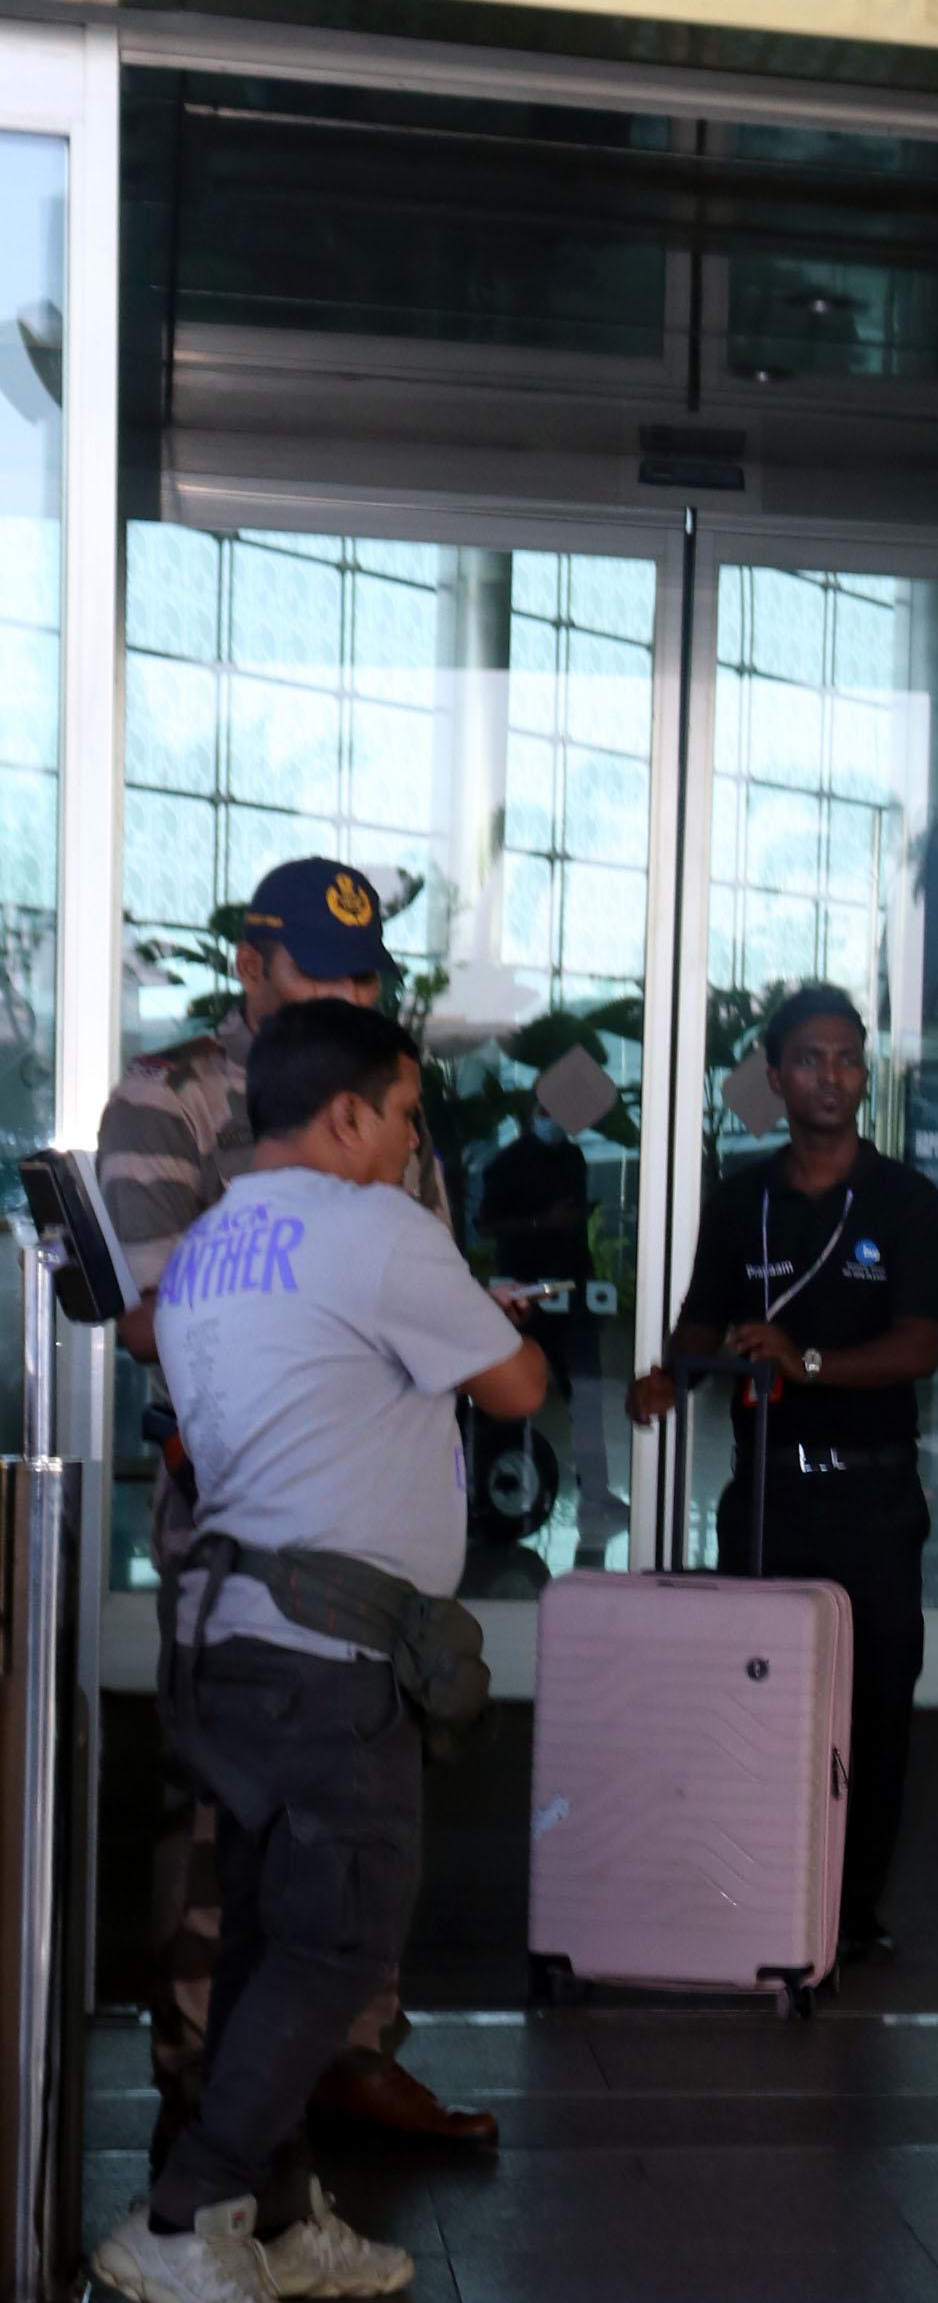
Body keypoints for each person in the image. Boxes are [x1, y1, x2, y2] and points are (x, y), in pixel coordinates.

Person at [92, 1004, 551, 2303]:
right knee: (340, 1939)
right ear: (348, 1114)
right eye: (406, 1116)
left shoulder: (220, 1237)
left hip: (235, 1636)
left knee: (264, 1939)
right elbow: (518, 1384)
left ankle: (277, 2215)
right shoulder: (380, 1231)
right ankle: (183, 2221)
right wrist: (465, 1322)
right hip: (330, 1655)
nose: (414, 1144)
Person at [100, 857, 503, 2163]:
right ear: (252, 966)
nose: (345, 997)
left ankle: (347, 2058)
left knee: (371, 1797)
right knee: (228, 1814)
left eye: (364, 978)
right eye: (319, 976)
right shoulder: (171, 1099)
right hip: (244, 1520)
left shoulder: (385, 1104)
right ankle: (205, 2081)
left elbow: (427, 1288)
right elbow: (157, 1317)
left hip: (376, 1516)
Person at [631, 985, 938, 1959]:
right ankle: (765, 1894)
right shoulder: (742, 1198)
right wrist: (673, 1374)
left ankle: (850, 1919)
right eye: (809, 1059)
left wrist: (803, 1363)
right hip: (768, 1490)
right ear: (773, 1079)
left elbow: (918, 1348)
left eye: (848, 1057)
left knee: (875, 1705)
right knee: (761, 1696)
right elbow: (699, 1317)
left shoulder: (904, 1201)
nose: (831, 1076)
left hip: (870, 1492)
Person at [474, 1085, 622, 1545]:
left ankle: (596, 1492)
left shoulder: (572, 1158)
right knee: (512, 1394)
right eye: (544, 1110)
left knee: (587, 1393)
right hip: (524, 1295)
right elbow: (485, 1224)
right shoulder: (505, 1164)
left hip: (573, 1289)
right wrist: (542, 1223)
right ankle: (504, 1485)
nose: (552, 1118)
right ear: (528, 1115)